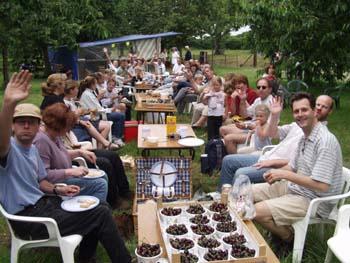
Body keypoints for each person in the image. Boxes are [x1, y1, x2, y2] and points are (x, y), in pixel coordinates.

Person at [0, 70, 131, 263]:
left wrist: (58, 188)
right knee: (101, 213)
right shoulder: (8, 151)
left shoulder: (33, 150)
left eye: (31, 123)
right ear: (12, 126)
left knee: (99, 204)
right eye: (20, 122)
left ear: (39, 127)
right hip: (29, 221)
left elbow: (42, 182)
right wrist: (9, 104)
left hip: (46, 204)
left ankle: (86, 257)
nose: (26, 126)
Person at [253, 92, 343, 251]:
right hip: (295, 188)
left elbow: (321, 186)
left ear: (315, 111)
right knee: (244, 193)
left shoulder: (325, 142)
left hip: (314, 200)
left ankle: (288, 238)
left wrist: (284, 174)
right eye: (296, 111)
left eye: (304, 110)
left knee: (256, 211)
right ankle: (278, 232)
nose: (300, 114)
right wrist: (274, 172)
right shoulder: (304, 136)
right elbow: (292, 167)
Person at [219, 94, 335, 188]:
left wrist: (273, 163)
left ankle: (231, 203)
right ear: (314, 107)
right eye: (318, 104)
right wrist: (274, 115)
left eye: (324, 107)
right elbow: (272, 133)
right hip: (268, 156)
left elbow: (299, 165)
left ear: (330, 111)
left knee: (241, 173)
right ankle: (221, 196)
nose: (319, 108)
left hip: (277, 165)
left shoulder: (318, 137)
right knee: (228, 160)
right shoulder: (298, 125)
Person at [33, 103, 108, 202]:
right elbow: (44, 175)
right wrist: (70, 171)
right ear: (59, 125)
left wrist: (80, 152)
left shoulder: (54, 134)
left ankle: (102, 207)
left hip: (65, 176)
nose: (69, 130)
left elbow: (59, 154)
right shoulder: (41, 141)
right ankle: (93, 213)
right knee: (100, 184)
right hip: (57, 184)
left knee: (102, 175)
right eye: (68, 127)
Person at [79, 75, 125, 146]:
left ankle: (118, 136)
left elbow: (97, 106)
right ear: (92, 85)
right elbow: (97, 109)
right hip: (97, 116)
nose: (96, 86)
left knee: (119, 114)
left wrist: (110, 108)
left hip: (99, 112)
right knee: (120, 116)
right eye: (95, 84)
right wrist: (110, 110)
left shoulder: (90, 93)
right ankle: (116, 137)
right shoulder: (88, 94)